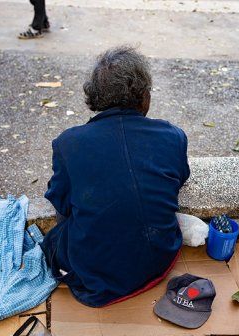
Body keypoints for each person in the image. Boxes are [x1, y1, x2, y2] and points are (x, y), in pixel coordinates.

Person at [40, 46, 191, 307]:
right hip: (160, 259)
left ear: (95, 98)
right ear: (144, 97)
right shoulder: (172, 136)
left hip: (97, 280)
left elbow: (61, 202)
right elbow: (178, 179)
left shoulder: (68, 143)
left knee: (55, 238)